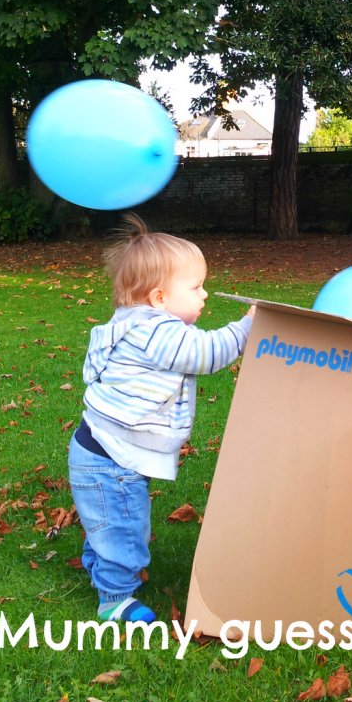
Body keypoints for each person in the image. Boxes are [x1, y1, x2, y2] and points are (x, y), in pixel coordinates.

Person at [68, 215, 254, 623]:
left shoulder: (133, 322)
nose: (205, 295)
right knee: (125, 527)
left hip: (103, 448)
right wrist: (247, 329)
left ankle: (101, 567)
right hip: (114, 458)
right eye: (195, 287)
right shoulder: (157, 331)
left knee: (109, 519)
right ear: (158, 298)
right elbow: (207, 354)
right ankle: (115, 599)